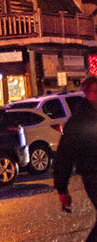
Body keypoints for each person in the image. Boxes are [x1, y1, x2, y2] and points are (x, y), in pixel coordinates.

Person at [55, 76, 97, 241]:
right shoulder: (79, 121)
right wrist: (62, 189)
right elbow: (64, 156)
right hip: (93, 175)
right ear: (87, 93)